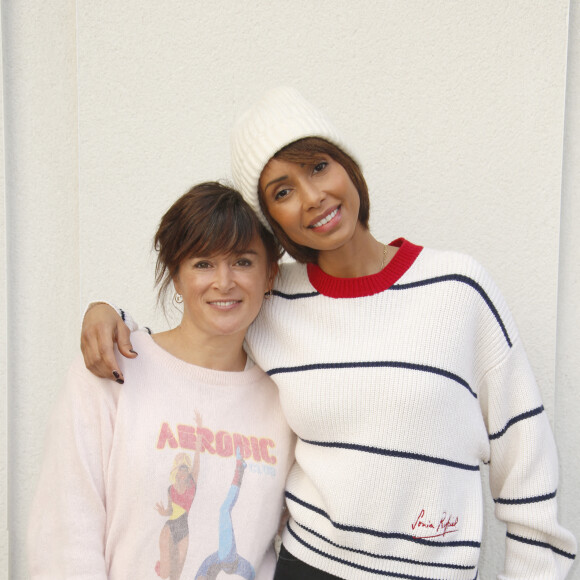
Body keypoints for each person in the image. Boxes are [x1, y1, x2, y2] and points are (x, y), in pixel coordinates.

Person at [80, 88, 576, 579]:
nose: (312, 197)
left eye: (318, 167)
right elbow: (196, 339)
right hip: (309, 566)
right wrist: (111, 315)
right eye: (282, 191)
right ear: (272, 220)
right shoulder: (275, 300)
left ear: (348, 167)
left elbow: (526, 461)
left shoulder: (458, 288)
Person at [28, 182, 295, 580]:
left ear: (269, 274)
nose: (224, 281)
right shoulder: (114, 367)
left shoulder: (287, 400)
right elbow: (64, 533)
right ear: (176, 276)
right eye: (203, 263)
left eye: (242, 261)